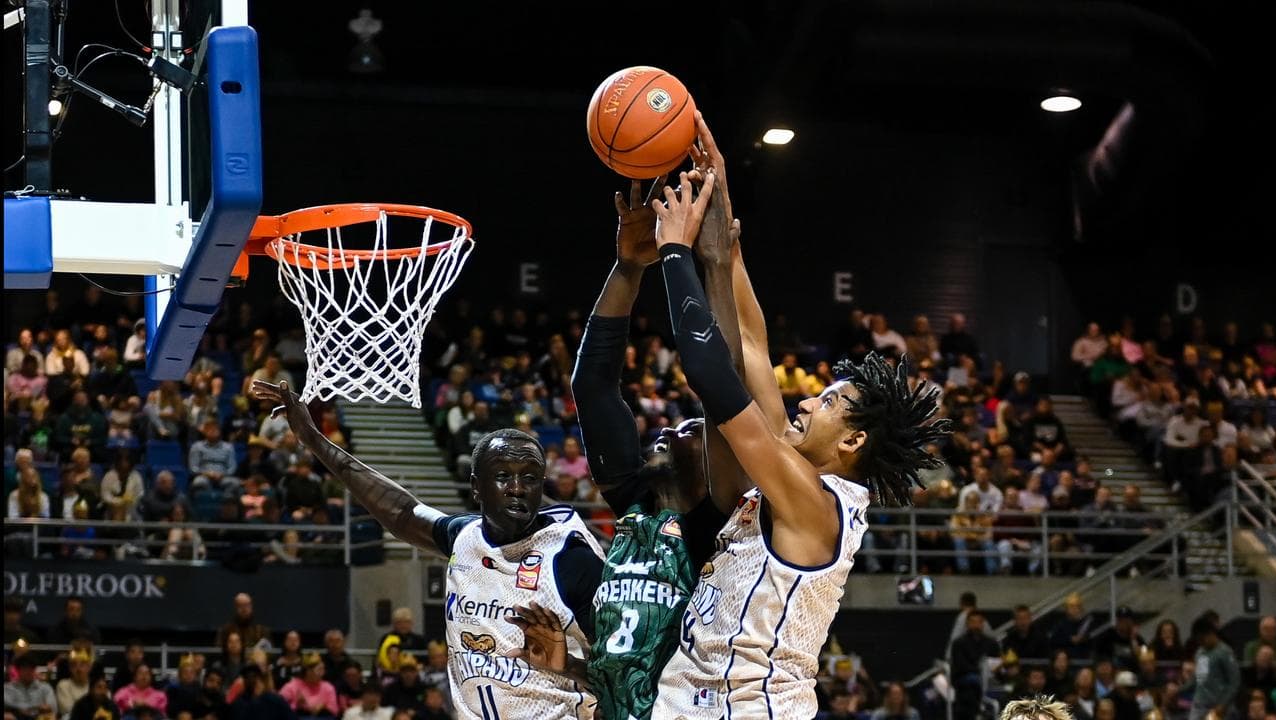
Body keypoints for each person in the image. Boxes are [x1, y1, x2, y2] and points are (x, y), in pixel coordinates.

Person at [647, 131, 949, 719]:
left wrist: (675, 254)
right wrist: (725, 222)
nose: (807, 403)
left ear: (854, 439)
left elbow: (715, 375)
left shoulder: (815, 502)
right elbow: (754, 345)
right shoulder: (792, 477)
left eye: (829, 402)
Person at [505, 141, 751, 720]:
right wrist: (627, 266)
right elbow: (594, 387)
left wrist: (680, 255)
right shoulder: (635, 503)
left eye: (689, 428)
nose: (668, 429)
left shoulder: (712, 521)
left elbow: (722, 384)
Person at [250, 379, 606, 720]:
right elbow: (400, 510)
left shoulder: (572, 561)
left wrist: (569, 666)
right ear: (476, 487)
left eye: (530, 478)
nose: (517, 488)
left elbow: (629, 675)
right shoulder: (464, 537)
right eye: (503, 475)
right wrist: (312, 438)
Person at [1181, 620, 1240, 720]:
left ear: (1211, 634)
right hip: (1199, 706)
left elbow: (1234, 682)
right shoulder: (1200, 652)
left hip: (1218, 707)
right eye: (1198, 641)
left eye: (1202, 639)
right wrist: (1179, 690)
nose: (1200, 643)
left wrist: (1223, 704)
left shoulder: (1225, 652)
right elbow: (1198, 678)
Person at [278, 653, 338, 718]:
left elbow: (334, 712)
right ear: (308, 671)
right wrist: (297, 706)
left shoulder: (328, 687)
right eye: (319, 670)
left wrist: (323, 707)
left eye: (323, 669)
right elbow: (278, 707)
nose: (322, 674)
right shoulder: (292, 686)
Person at [6, 655, 56, 720]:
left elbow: (52, 708)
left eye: (31, 668)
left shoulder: (45, 688)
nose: (28, 671)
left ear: (35, 669)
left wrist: (21, 709)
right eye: (25, 668)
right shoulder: (8, 688)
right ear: (18, 670)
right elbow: (7, 708)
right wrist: (37, 707)